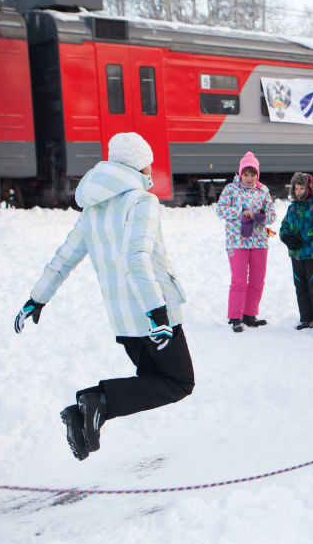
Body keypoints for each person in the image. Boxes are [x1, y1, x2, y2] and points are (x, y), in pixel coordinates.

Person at [14, 132, 194, 461]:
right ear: (140, 165)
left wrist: (36, 298)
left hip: (124, 321)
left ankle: (82, 414)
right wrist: (158, 314)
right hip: (152, 316)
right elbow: (136, 259)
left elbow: (63, 259)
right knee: (179, 381)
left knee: (152, 381)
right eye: (148, 163)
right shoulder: (142, 202)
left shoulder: (93, 210)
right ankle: (97, 402)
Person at [215, 152, 276, 332]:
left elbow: (272, 215)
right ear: (240, 174)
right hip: (237, 241)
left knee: (257, 280)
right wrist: (241, 211)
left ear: (257, 175)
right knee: (239, 280)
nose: (249, 178)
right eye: (246, 174)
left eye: (253, 174)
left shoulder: (263, 191)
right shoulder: (231, 190)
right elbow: (220, 211)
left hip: (259, 242)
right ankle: (235, 317)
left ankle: (250, 315)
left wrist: (260, 217)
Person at [279, 172, 313, 334]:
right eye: (296, 188)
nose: (299, 191)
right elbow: (284, 226)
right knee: (301, 288)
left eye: (302, 188)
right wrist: (286, 237)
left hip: (312, 254)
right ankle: (307, 318)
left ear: (309, 188)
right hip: (296, 255)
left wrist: (301, 236)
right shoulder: (292, 207)